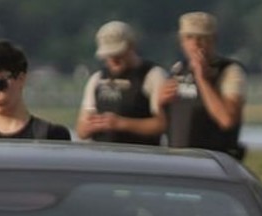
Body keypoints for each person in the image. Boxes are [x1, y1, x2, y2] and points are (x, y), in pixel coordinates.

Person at [158, 11, 246, 159]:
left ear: (213, 40)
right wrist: (161, 103)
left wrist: (202, 80)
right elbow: (163, 124)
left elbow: (227, 120)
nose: (196, 44)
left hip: (214, 159)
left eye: (203, 38)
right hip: (178, 158)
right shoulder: (178, 70)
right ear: (181, 41)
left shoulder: (229, 71)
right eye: (189, 38)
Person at [75, 21, 168, 146]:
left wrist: (121, 124)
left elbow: (163, 124)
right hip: (102, 153)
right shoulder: (97, 79)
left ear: (131, 47)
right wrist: (90, 126)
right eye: (109, 55)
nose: (114, 59)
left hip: (140, 153)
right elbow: (81, 130)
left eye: (118, 53)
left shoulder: (153, 76)